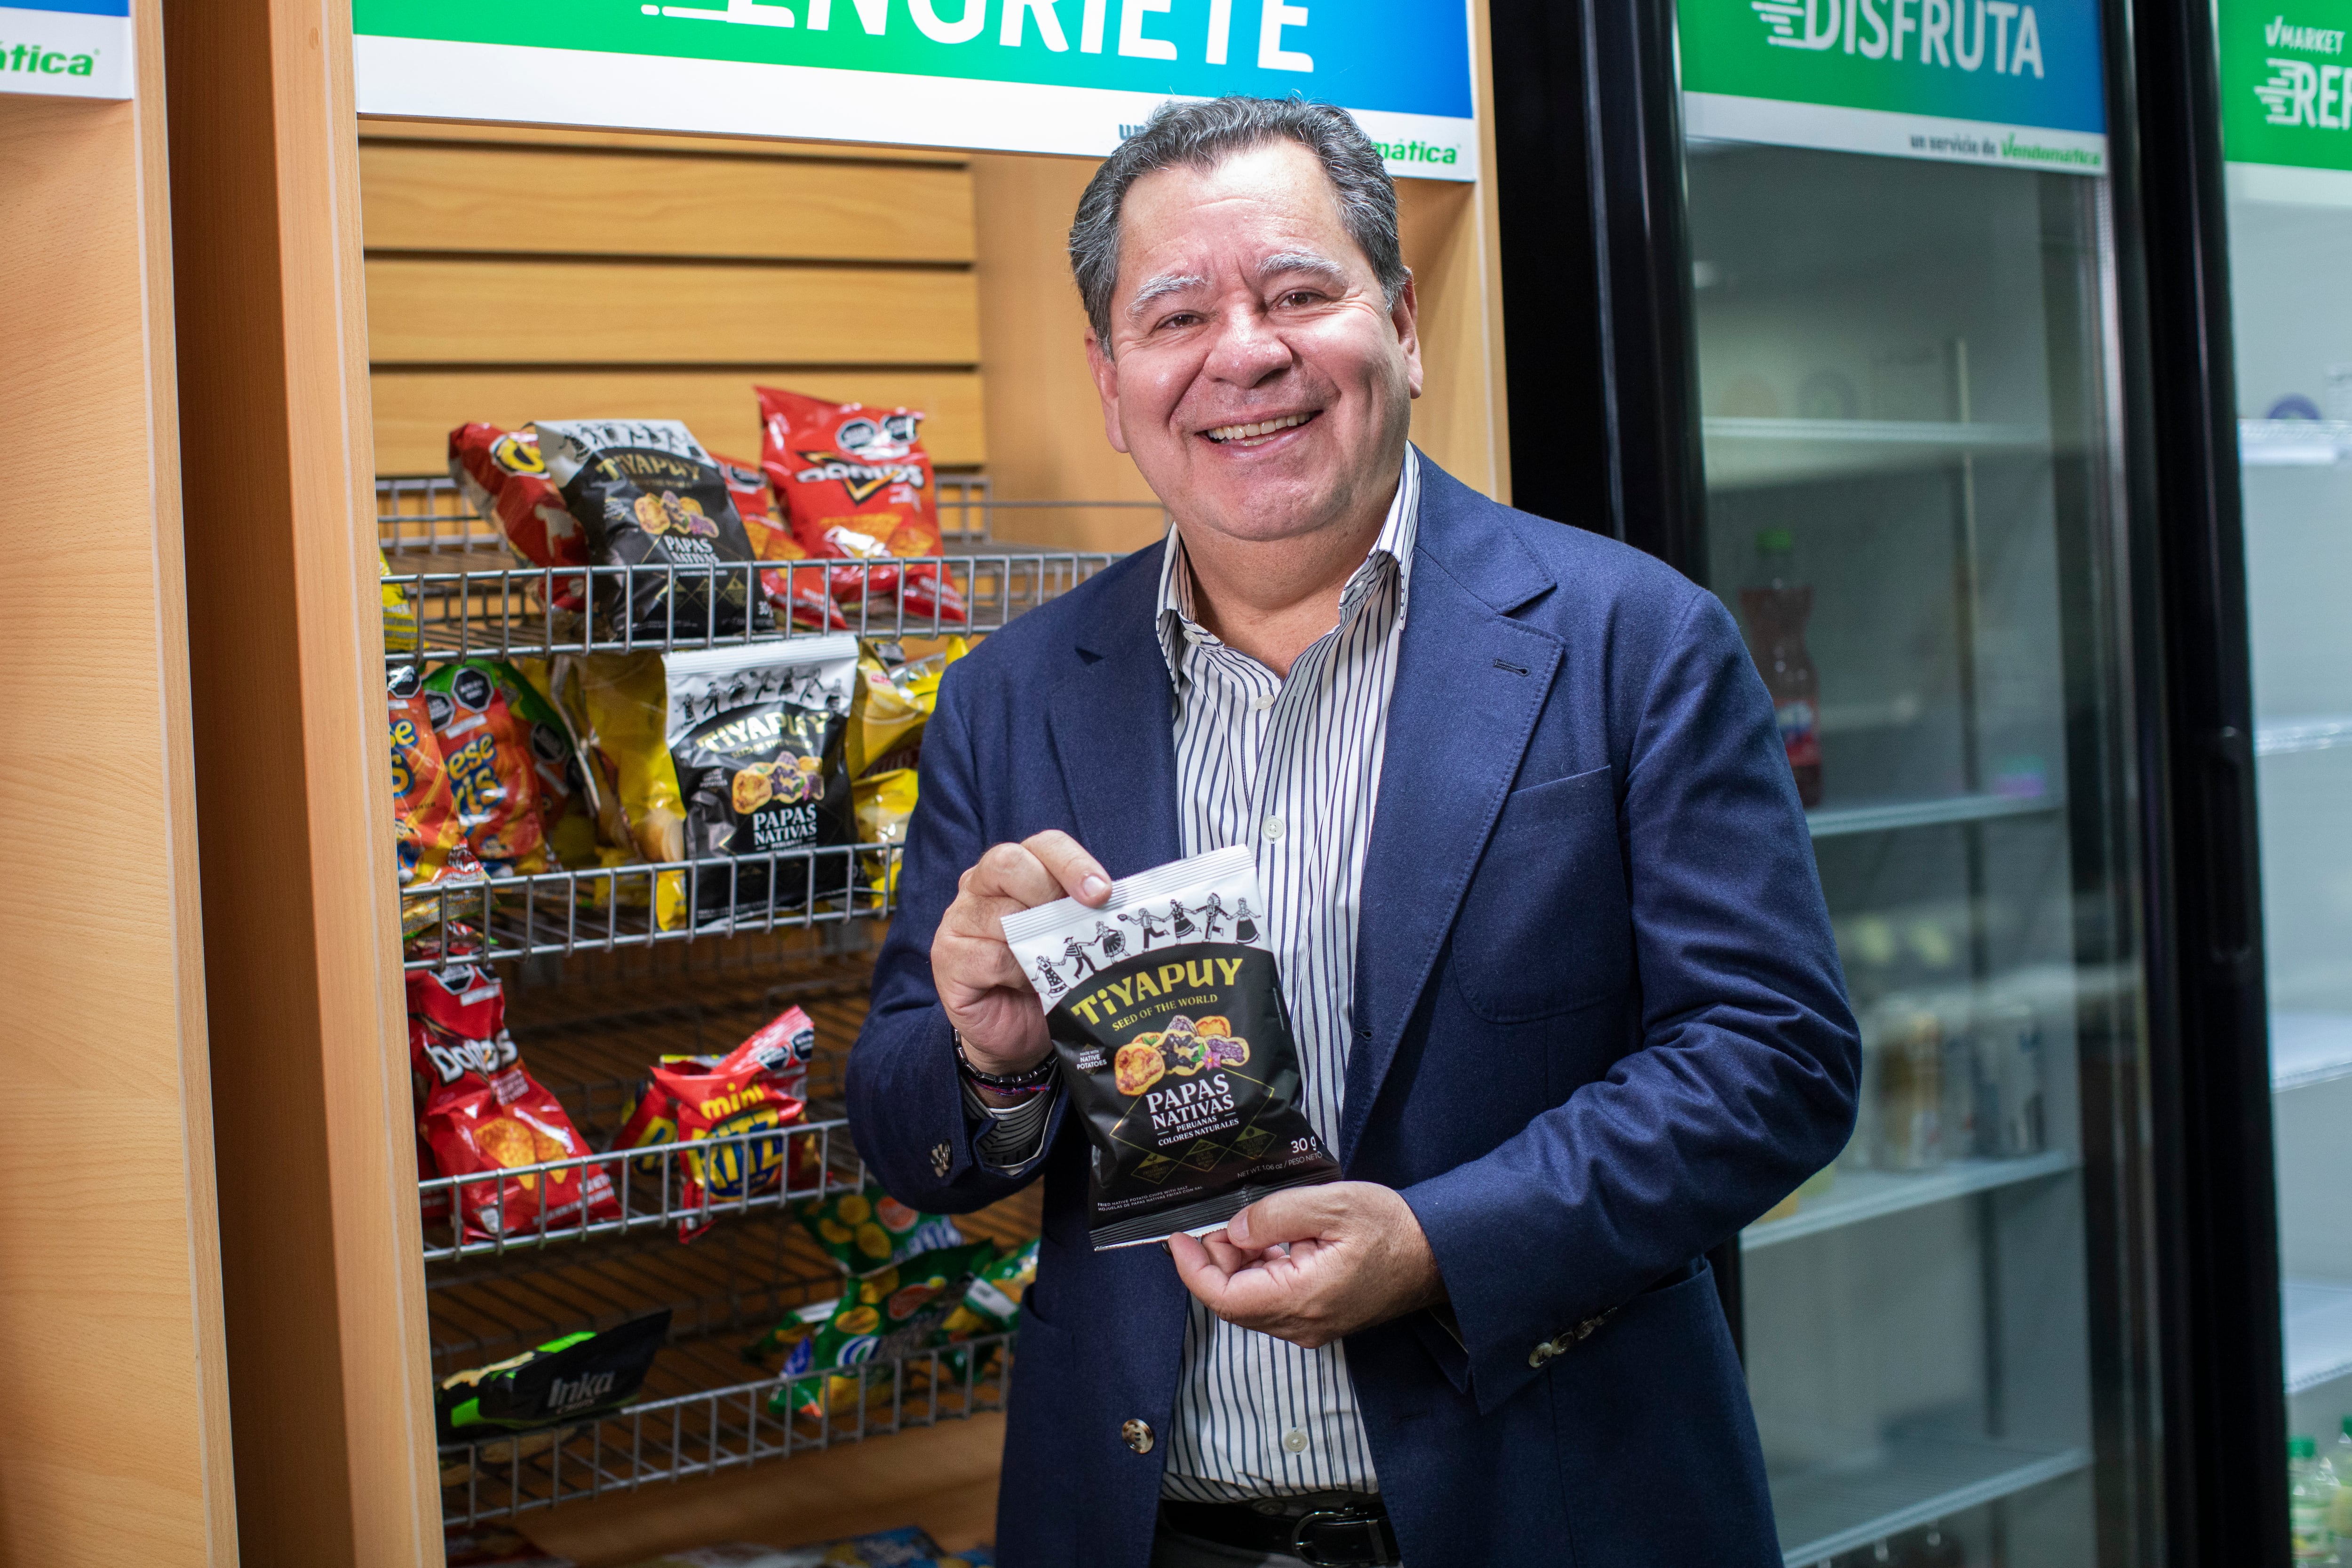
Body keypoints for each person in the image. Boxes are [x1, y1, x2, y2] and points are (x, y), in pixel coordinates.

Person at [846, 95, 1857, 1568]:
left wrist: (1441, 1244)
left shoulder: (1632, 641)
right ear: (1112, 379)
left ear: (1403, 322)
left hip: (1555, 1511)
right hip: (1143, 1526)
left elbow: (1776, 1061)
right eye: (1176, 314)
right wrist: (990, 1058)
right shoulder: (1011, 697)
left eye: (1301, 295)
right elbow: (909, 1131)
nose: (1243, 354)